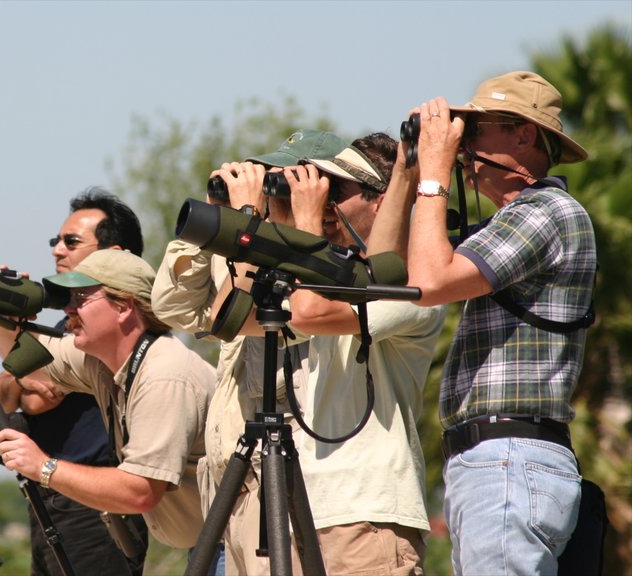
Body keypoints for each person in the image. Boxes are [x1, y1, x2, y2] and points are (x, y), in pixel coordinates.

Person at [390, 71, 595, 575]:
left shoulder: (545, 210)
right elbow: (395, 271)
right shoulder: (507, 224)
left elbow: (429, 282)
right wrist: (406, 173)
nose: (464, 146)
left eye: (476, 131)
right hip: (494, 461)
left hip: (508, 456)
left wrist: (436, 172)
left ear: (524, 135)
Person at [151, 129, 343, 575]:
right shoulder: (248, 249)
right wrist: (221, 220)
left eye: (284, 183)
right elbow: (173, 306)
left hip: (279, 489)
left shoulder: (331, 264)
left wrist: (250, 227)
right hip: (225, 490)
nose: (272, 193)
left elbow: (235, 319)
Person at [278, 132, 446, 575]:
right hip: (309, 511)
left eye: (337, 192)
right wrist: (266, 217)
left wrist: (306, 224)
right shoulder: (334, 280)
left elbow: (309, 313)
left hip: (371, 513)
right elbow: (233, 322)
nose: (327, 204)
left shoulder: (413, 283)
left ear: (381, 199)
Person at [0, 249, 216, 564]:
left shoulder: (164, 375)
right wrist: (4, 307)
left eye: (80, 298)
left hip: (234, 544)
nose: (68, 309)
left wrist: (43, 467)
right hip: (209, 543)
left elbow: (140, 492)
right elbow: (26, 363)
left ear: (124, 306)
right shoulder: (103, 361)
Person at [0, 187, 150, 576]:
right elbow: (10, 386)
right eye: (55, 241)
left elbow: (35, 394)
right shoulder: (70, 326)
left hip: (95, 506)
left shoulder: (117, 330)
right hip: (48, 495)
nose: (57, 250)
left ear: (112, 254)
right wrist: (5, 321)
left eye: (71, 241)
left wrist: (21, 379)